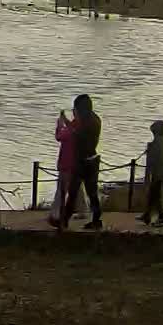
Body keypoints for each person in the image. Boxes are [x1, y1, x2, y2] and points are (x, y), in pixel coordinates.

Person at [59, 94, 104, 230]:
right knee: (91, 193)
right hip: (92, 159)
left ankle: (65, 220)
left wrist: (66, 121)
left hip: (85, 162)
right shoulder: (94, 119)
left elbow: (76, 135)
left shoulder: (88, 122)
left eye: (76, 108)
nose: (75, 110)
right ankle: (95, 219)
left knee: (74, 192)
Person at [139, 119, 163, 228]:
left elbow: (151, 163)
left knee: (156, 195)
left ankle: (162, 218)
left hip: (158, 173)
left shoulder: (154, 144)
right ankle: (147, 215)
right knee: (153, 194)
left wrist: (147, 177)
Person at [46, 108, 76, 229]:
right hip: (75, 164)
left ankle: (56, 216)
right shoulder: (79, 126)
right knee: (75, 190)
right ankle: (84, 211)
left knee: (61, 191)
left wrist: (59, 125)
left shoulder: (71, 130)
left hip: (66, 164)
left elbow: (59, 136)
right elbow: (70, 127)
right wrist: (64, 121)